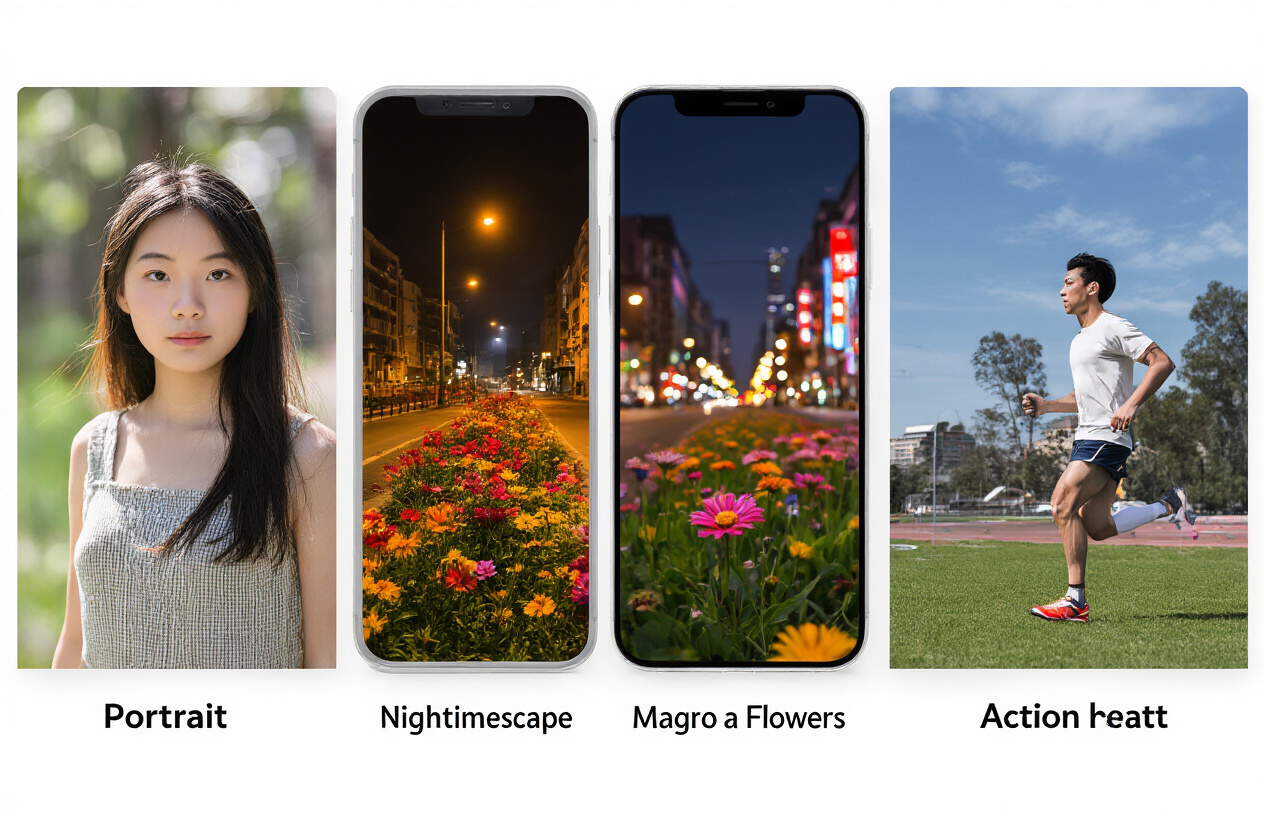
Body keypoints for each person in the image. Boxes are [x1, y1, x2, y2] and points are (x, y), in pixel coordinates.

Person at [51, 159, 336, 668]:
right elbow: (75, 647)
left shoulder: (308, 456)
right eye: (157, 274)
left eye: (218, 273)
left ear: (255, 293)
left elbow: (328, 667)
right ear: (120, 292)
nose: (187, 305)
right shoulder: (95, 448)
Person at [1020, 253, 1193, 623]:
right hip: (1090, 436)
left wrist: (1131, 404)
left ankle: (1074, 602)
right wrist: (1048, 405)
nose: (1061, 290)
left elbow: (1162, 361)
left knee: (1061, 504)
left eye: (1069, 283)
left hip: (1106, 438)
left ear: (1091, 288)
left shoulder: (1113, 326)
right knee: (1095, 525)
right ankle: (1167, 505)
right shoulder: (1079, 340)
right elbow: (1086, 398)